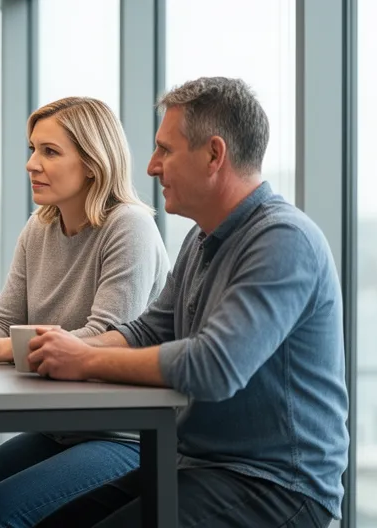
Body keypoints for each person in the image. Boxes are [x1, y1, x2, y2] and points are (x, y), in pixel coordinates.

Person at [31, 77, 346, 528]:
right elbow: (148, 331)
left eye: (165, 150)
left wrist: (83, 360)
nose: (151, 167)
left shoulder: (283, 240)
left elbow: (213, 367)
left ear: (214, 155)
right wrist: (67, 349)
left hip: (277, 485)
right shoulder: (201, 239)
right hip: (197, 464)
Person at [0, 97, 169, 528]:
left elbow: (105, 340)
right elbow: (4, 320)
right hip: (61, 428)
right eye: (33, 149)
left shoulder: (129, 226)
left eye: (50, 152)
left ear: (92, 163)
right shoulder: (39, 227)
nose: (31, 164)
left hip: (125, 434)